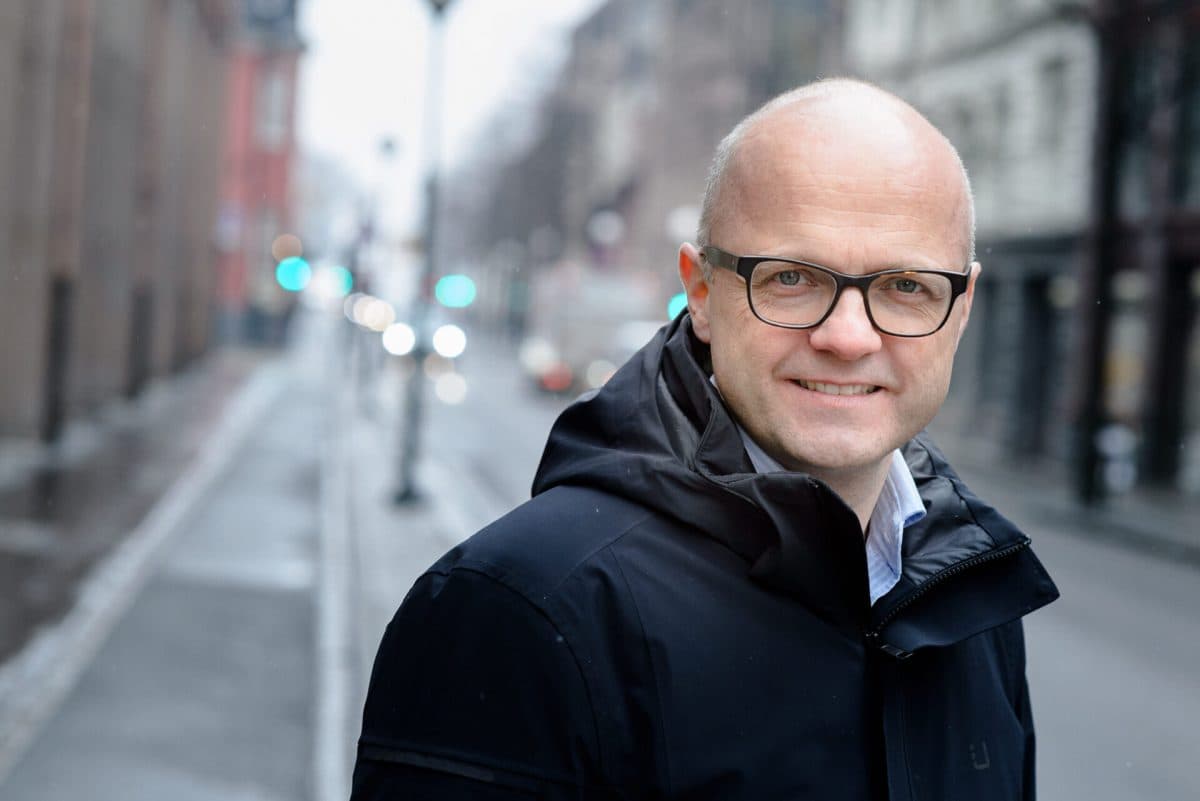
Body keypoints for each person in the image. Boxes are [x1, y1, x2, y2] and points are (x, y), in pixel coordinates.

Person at [351, 78, 1060, 800]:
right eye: (792, 278)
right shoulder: (517, 610)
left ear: (960, 309)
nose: (848, 337)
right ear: (702, 292)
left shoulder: (971, 605)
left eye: (906, 286)